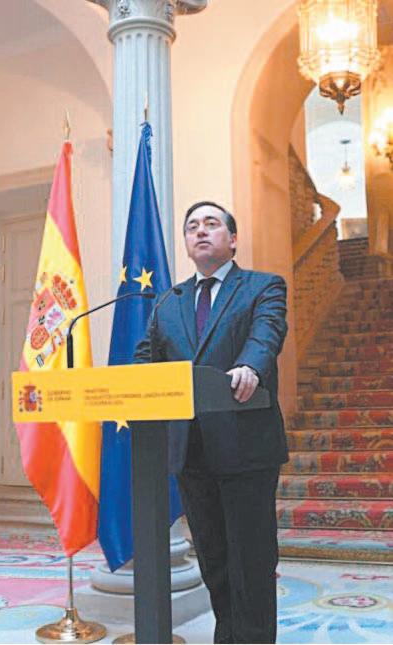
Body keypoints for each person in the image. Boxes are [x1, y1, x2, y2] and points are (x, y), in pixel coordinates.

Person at [134, 201, 289, 644]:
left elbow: (266, 334)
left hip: (246, 448)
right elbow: (146, 359)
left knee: (251, 562)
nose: (200, 231)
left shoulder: (262, 286)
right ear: (186, 242)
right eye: (192, 227)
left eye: (211, 224)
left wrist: (250, 367)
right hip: (191, 451)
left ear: (232, 239)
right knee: (215, 562)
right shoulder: (169, 301)